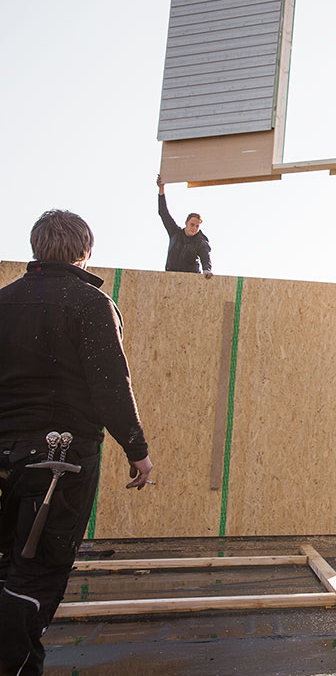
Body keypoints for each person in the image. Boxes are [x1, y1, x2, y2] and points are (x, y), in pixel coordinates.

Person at [0, 210, 153, 675]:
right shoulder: (90, 303)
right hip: (58, 463)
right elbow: (110, 385)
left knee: (7, 563)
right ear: (85, 252)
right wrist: (137, 450)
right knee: (39, 572)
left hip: (4, 456)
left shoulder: (4, 301)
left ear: (36, 249)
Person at [156, 175, 212, 278]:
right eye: (192, 224)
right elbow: (163, 213)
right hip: (171, 276)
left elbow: (205, 256)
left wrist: (207, 269)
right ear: (186, 223)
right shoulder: (175, 233)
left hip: (189, 278)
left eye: (197, 226)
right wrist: (161, 189)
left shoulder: (199, 242)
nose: (194, 228)